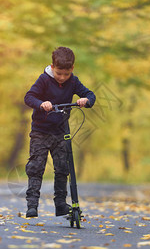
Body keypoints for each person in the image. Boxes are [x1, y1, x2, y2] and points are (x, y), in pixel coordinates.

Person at [24, 47, 96, 218]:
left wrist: (85, 100)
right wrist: (41, 104)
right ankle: (32, 205)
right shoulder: (43, 80)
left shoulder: (73, 81)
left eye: (66, 74)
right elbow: (29, 97)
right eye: (58, 73)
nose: (62, 78)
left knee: (63, 168)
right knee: (36, 167)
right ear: (52, 67)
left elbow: (90, 94)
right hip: (40, 132)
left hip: (61, 132)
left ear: (72, 69)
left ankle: (61, 205)